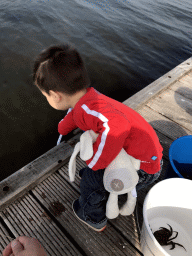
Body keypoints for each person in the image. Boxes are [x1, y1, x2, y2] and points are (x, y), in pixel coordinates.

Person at [2, 42, 163, 255]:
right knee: (93, 169)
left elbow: (118, 126)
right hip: (150, 156)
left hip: (143, 168)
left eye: (45, 96)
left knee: (91, 181)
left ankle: (92, 217)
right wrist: (64, 126)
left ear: (55, 95)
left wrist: (96, 164)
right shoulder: (89, 97)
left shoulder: (92, 110)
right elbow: (77, 114)